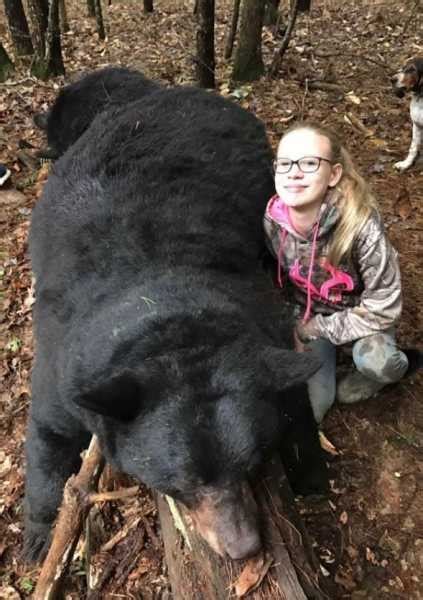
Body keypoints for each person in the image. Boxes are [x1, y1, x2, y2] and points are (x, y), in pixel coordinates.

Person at [263, 123, 409, 425]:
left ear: (334, 174)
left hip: (359, 315)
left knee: (378, 362)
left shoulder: (360, 228)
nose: (294, 172)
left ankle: (391, 371)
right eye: (285, 163)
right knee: (310, 409)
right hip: (306, 314)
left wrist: (312, 330)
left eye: (309, 163)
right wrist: (289, 326)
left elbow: (385, 306)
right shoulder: (271, 221)